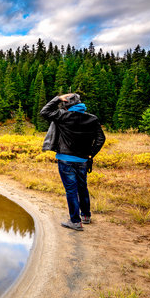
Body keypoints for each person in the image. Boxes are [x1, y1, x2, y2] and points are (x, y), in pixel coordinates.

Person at [40, 93, 105, 231]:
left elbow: (44, 112)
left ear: (66, 105)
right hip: (83, 160)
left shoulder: (63, 116)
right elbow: (101, 139)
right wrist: (90, 154)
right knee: (82, 187)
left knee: (71, 190)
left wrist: (57, 98)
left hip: (66, 159)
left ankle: (75, 221)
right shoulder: (92, 119)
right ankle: (86, 216)